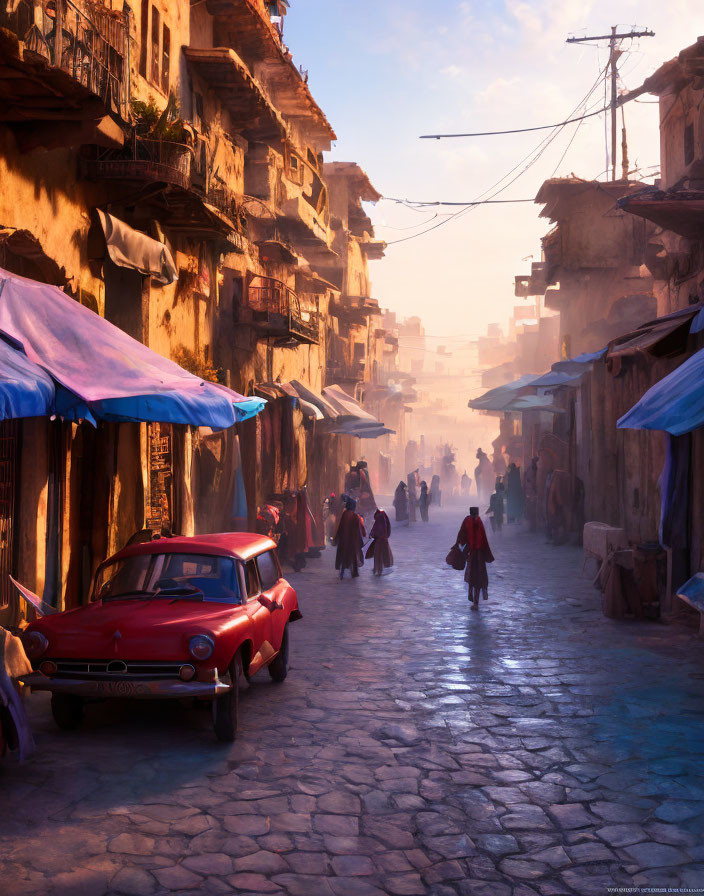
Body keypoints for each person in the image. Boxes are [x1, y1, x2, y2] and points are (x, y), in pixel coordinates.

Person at [456, 506, 494, 611]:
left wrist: (460, 545)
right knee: (477, 579)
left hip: (474, 555)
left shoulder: (469, 521)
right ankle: (475, 602)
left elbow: (461, 535)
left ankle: (474, 602)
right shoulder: (477, 522)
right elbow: (484, 540)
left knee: (474, 579)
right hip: (478, 555)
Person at [333, 496, 366, 579]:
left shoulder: (344, 514)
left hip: (343, 540)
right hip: (352, 540)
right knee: (353, 557)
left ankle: (342, 572)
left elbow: (340, 527)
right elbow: (358, 530)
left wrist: (337, 538)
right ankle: (353, 573)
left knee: (343, 556)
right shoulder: (355, 516)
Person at [366, 508, 393, 576]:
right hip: (383, 540)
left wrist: (371, 535)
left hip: (379, 540)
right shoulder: (383, 517)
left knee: (378, 555)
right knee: (381, 555)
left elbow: (376, 529)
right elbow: (387, 529)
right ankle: (379, 569)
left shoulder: (379, 517)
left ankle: (377, 569)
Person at [524, 458, 538, 532]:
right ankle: (532, 527)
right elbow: (529, 481)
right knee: (532, 510)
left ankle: (533, 526)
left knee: (532, 510)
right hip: (531, 493)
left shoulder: (532, 469)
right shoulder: (532, 470)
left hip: (531, 493)